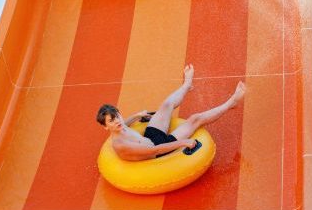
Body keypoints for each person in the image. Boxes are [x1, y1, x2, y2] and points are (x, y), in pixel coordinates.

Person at [95, 64, 246, 161]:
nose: (118, 121)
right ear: (106, 127)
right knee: (195, 119)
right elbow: (156, 149)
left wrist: (136, 116)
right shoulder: (120, 145)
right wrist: (183, 143)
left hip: (150, 137)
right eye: (112, 121)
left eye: (118, 116)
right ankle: (231, 102)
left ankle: (186, 84)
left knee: (167, 104)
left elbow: (124, 124)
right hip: (159, 148)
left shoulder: (120, 125)